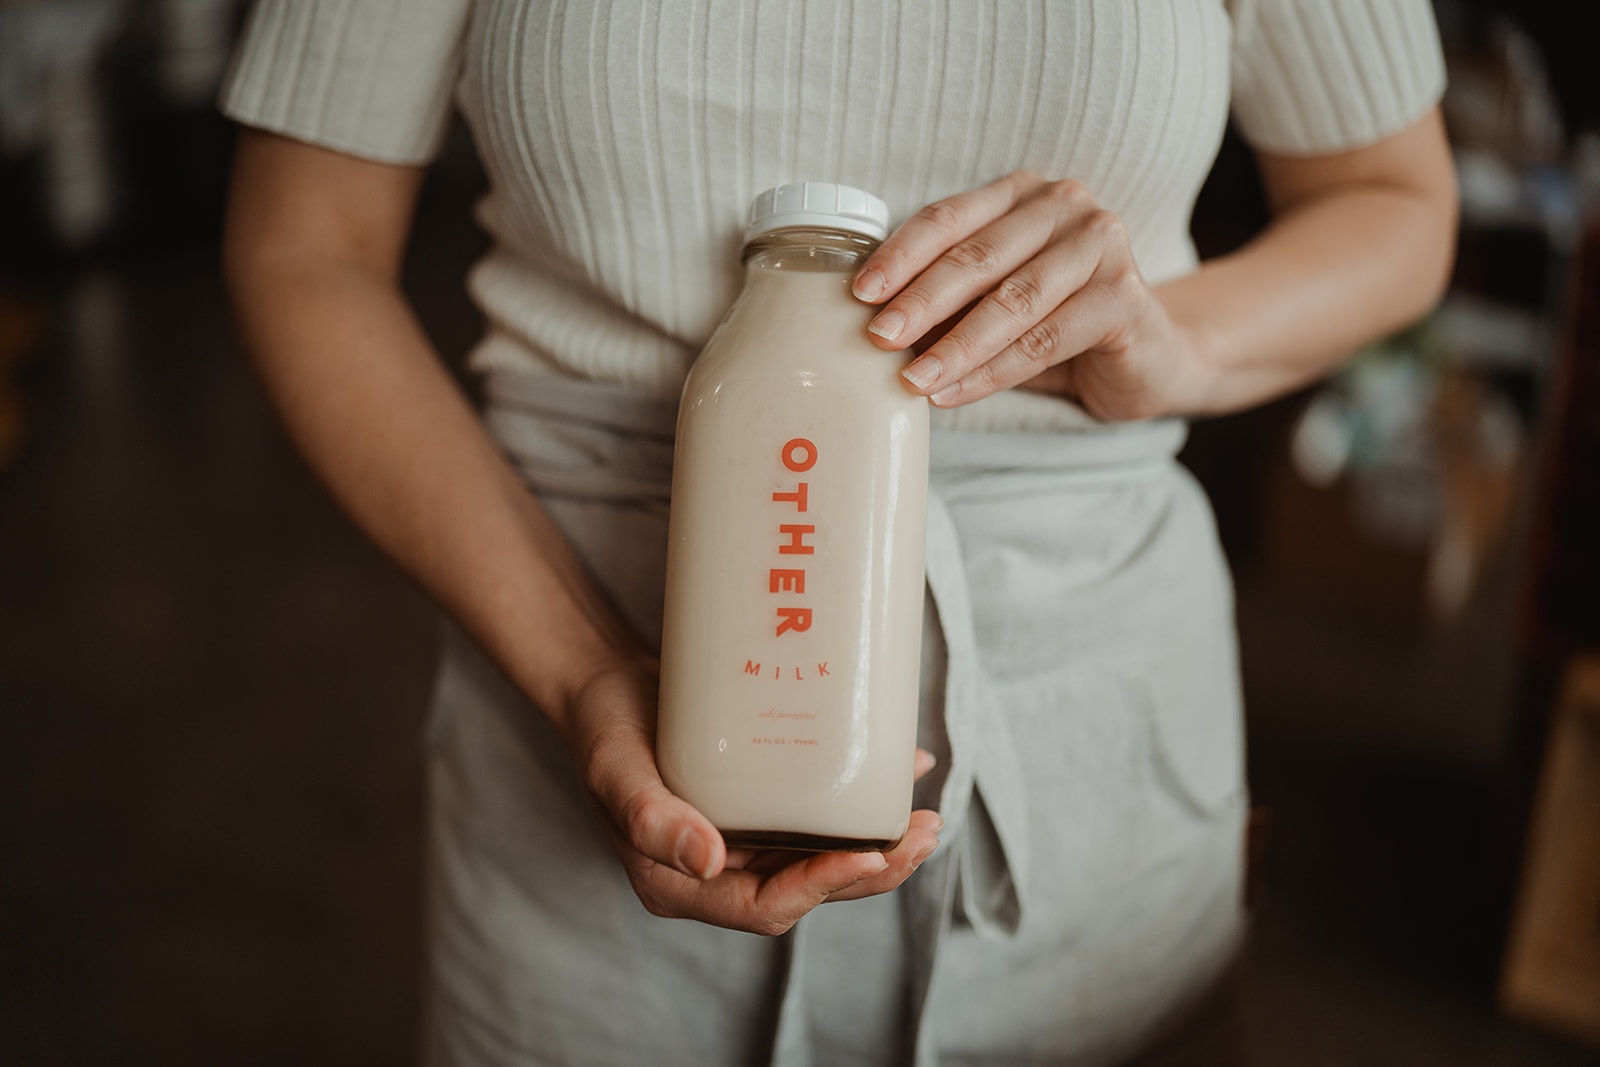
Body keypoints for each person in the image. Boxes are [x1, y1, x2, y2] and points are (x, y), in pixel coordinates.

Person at [219, 1, 1458, 1063]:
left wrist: (1179, 343)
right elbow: (304, 243)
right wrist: (582, 663)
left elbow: (1392, 199)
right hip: (576, 686)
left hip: (1088, 746)